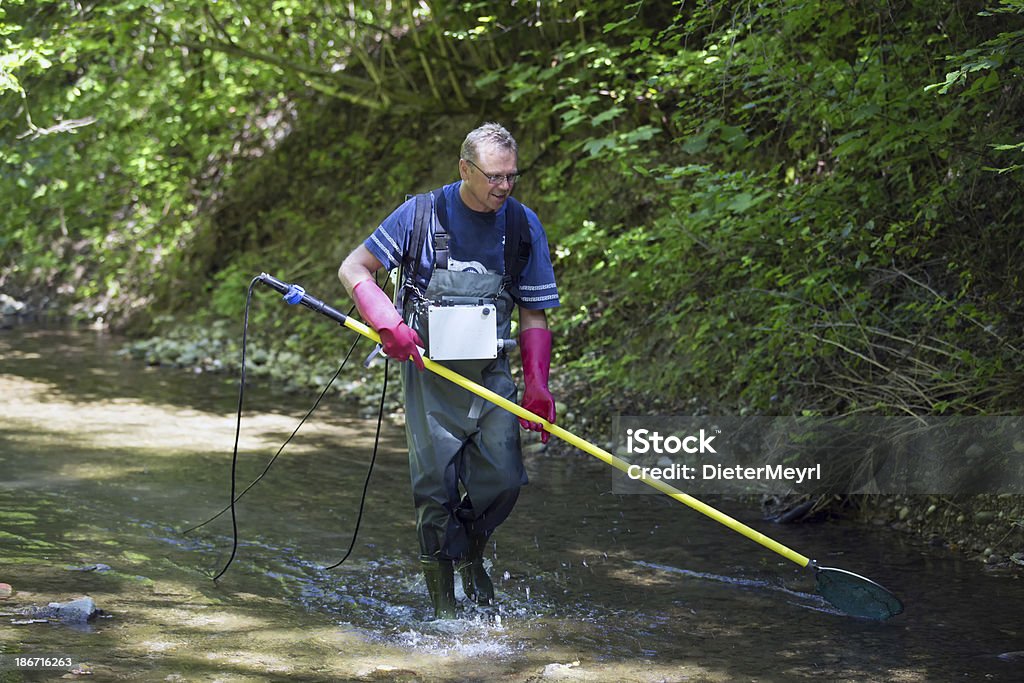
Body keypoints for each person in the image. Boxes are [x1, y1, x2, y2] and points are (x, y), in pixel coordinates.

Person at [337, 122, 559, 619]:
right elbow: (355, 268)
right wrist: (385, 320)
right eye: (495, 177)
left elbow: (534, 312)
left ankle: (468, 551)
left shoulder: (522, 225)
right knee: (434, 490)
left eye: (512, 177)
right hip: (428, 376)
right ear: (465, 169)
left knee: (504, 480)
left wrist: (538, 387)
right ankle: (444, 612)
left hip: (491, 375)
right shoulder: (419, 214)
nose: (504, 186)